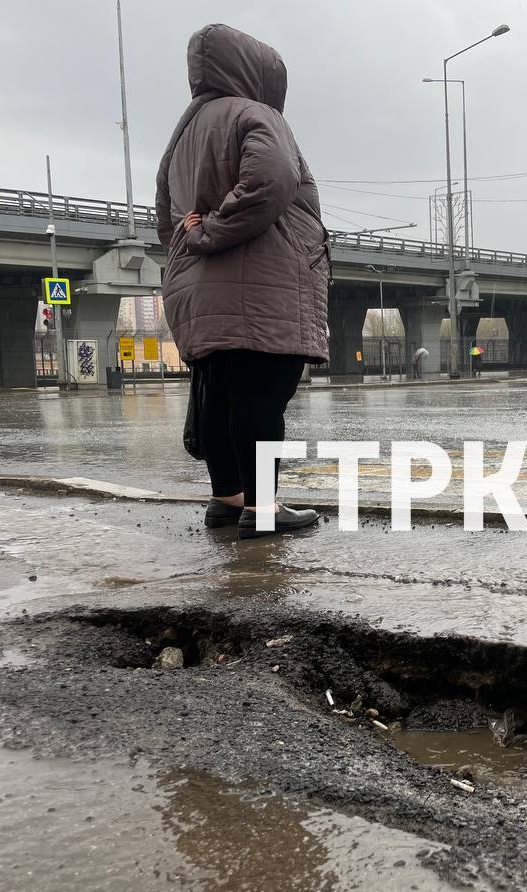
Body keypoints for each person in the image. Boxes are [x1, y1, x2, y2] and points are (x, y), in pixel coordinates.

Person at [156, 24, 328, 540]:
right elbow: (272, 178)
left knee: (220, 394)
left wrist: (194, 244)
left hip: (200, 288)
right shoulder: (256, 114)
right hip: (261, 280)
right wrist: (214, 230)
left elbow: (166, 219)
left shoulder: (182, 135)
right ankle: (262, 509)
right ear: (257, 73)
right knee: (262, 395)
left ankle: (227, 499)